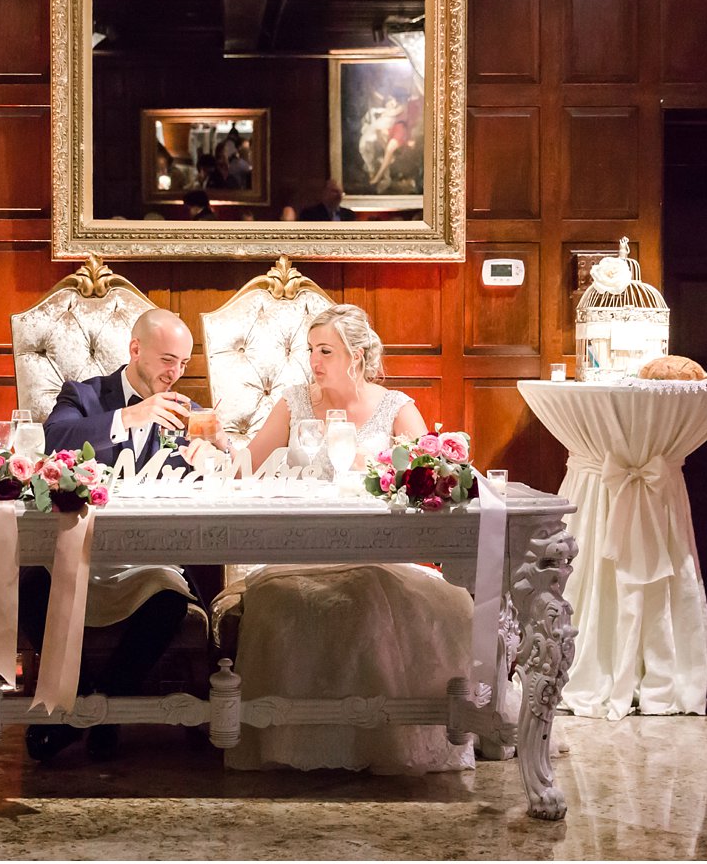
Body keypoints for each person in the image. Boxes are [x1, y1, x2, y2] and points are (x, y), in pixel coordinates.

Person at [214, 304, 475, 774]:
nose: (314, 360)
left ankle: (384, 736)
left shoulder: (396, 407)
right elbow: (245, 469)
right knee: (287, 601)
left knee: (385, 597)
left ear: (356, 354)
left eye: (326, 351)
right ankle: (303, 739)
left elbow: (432, 476)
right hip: (300, 548)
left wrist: (377, 470)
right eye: (311, 350)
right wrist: (217, 445)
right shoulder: (294, 402)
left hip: (379, 550)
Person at [23, 309, 227, 763]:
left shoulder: (185, 410)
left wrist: (215, 454)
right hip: (79, 553)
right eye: (166, 360)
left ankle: (106, 705)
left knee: (171, 601)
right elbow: (55, 437)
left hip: (146, 559)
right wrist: (130, 416)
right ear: (135, 350)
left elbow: (218, 471)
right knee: (30, 585)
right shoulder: (84, 395)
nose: (174, 375)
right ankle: (74, 697)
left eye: (183, 365)